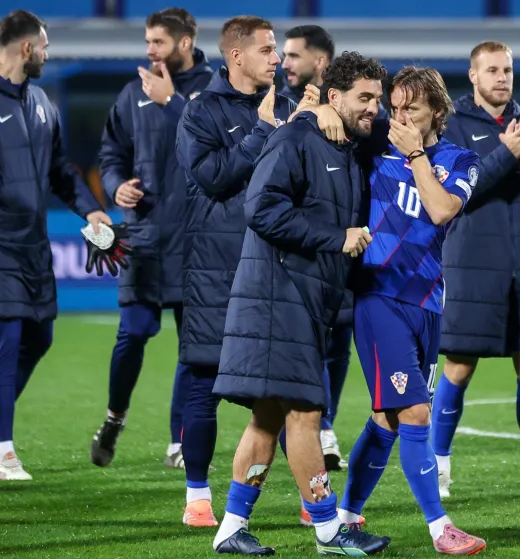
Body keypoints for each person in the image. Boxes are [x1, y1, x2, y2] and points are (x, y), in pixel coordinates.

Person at [210, 51, 390, 557]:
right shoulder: (294, 138)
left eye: (377, 98)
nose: (374, 109)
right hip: (278, 297)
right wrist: (338, 237)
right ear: (335, 96)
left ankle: (230, 529)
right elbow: (261, 210)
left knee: (267, 417)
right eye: (364, 98)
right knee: (307, 412)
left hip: (301, 300)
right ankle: (330, 529)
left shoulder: (345, 143)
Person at [310, 65, 487, 556]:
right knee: (413, 411)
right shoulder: (372, 145)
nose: (399, 114)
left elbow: (441, 209)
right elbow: (328, 119)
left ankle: (342, 520)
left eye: (412, 107)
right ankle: (440, 528)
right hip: (378, 296)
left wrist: (415, 155)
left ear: (437, 111)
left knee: (386, 419)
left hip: (428, 303)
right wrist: (324, 106)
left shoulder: (461, 160)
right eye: (396, 105)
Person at [0, 10, 110, 480]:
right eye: (44, 45)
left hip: (32, 240)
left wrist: (92, 209)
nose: (47, 52)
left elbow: (60, 169)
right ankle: (3, 450)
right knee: (8, 336)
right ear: (26, 49)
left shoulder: (42, 101)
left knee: (40, 336)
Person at [431, 41, 520, 500]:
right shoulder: (450, 125)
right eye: (491, 69)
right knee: (459, 364)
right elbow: (454, 193)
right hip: (471, 263)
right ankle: (438, 469)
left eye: (507, 69)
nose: (502, 78)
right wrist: (505, 155)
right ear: (472, 76)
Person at [175, 15, 298, 528]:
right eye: (268, 50)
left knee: (286, 389)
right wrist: (263, 132)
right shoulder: (200, 113)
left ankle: (312, 499)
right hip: (215, 269)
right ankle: (198, 496)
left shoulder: (293, 107)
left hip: (275, 266)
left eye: (279, 51)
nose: (278, 59)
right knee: (204, 382)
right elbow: (212, 179)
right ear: (236, 56)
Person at [90, 7, 213, 470]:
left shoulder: (214, 90)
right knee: (134, 332)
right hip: (143, 236)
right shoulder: (131, 94)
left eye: (158, 42)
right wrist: (117, 182)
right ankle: (114, 417)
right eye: (147, 42)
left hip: (197, 239)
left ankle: (180, 439)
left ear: (184, 43)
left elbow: (216, 140)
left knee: (193, 346)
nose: (149, 51)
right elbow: (110, 152)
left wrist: (171, 102)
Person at [279, 23, 351, 475]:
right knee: (310, 349)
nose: (283, 64)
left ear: (320, 63)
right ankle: (318, 428)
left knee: (339, 348)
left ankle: (327, 426)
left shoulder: (346, 106)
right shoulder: (287, 106)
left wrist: (326, 106)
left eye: (292, 56)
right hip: (302, 253)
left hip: (346, 251)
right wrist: (311, 111)